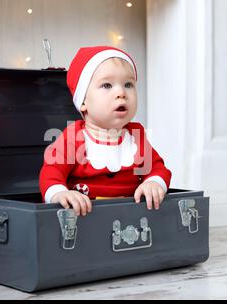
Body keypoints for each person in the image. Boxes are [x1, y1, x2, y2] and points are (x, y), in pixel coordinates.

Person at [39, 46, 172, 216]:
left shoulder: (135, 136)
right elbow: (51, 171)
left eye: (128, 84)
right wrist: (59, 194)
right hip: (84, 217)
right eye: (107, 85)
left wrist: (153, 183)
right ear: (83, 102)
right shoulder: (74, 137)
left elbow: (157, 168)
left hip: (130, 215)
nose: (121, 93)